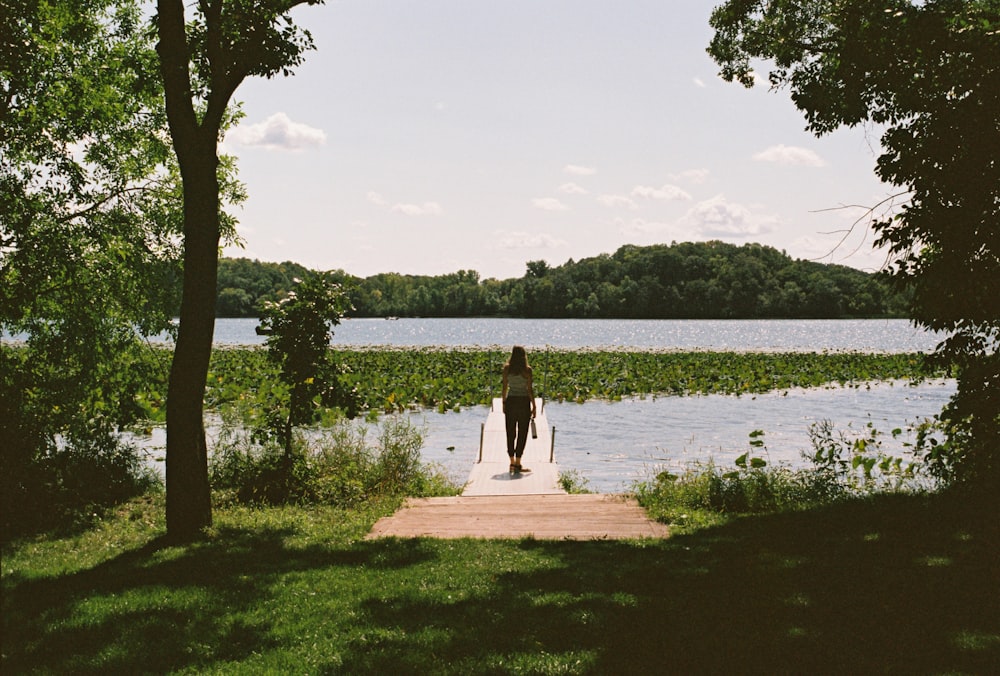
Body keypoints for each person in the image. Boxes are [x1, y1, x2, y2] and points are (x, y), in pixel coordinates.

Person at [501, 345, 537, 473]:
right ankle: (518, 462)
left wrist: (503, 403)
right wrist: (534, 405)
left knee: (510, 431)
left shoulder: (507, 369)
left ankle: (511, 462)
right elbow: (529, 389)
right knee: (523, 432)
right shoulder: (527, 370)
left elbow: (504, 387)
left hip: (511, 401)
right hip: (523, 402)